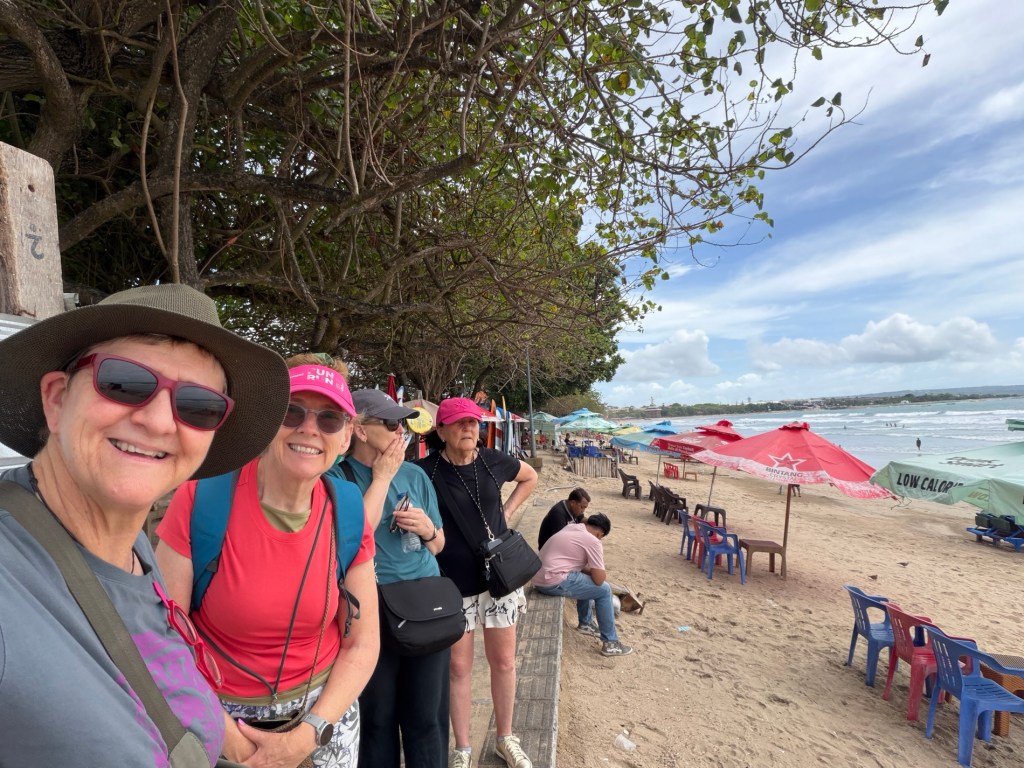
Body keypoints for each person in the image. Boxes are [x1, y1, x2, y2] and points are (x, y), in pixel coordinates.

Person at [0, 283, 290, 765]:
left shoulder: (131, 544)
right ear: (57, 398)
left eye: (198, 406)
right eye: (124, 382)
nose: (158, 422)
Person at [155, 353, 379, 767]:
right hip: (217, 718)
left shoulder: (348, 509)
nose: (309, 428)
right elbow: (165, 642)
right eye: (292, 412)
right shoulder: (202, 499)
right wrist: (236, 745)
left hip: (322, 719)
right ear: (268, 419)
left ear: (347, 436)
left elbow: (362, 644)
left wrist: (305, 738)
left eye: (329, 419)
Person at [414, 397, 538, 768]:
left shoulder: (492, 460)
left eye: (473, 422)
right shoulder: (425, 471)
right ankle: (463, 748)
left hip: (499, 579)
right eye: (459, 423)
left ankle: (505, 738)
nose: (468, 428)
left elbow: (530, 477)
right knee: (458, 668)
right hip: (452, 584)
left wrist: (507, 511)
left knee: (504, 663)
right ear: (441, 430)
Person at [329, 389, 448, 768]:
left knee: (425, 718)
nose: (401, 431)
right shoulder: (337, 478)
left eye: (404, 424)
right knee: (376, 719)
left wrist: (427, 529)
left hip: (423, 604)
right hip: (371, 608)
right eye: (391, 423)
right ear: (360, 430)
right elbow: (351, 540)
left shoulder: (415, 475)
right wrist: (381, 478)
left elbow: (439, 545)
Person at [532, 513, 633, 657]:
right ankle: (611, 643)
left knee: (586, 579)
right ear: (600, 534)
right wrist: (596, 570)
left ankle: (586, 623)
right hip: (552, 581)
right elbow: (599, 580)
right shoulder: (593, 541)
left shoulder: (572, 527)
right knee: (604, 590)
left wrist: (592, 571)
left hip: (539, 576)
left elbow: (582, 568)